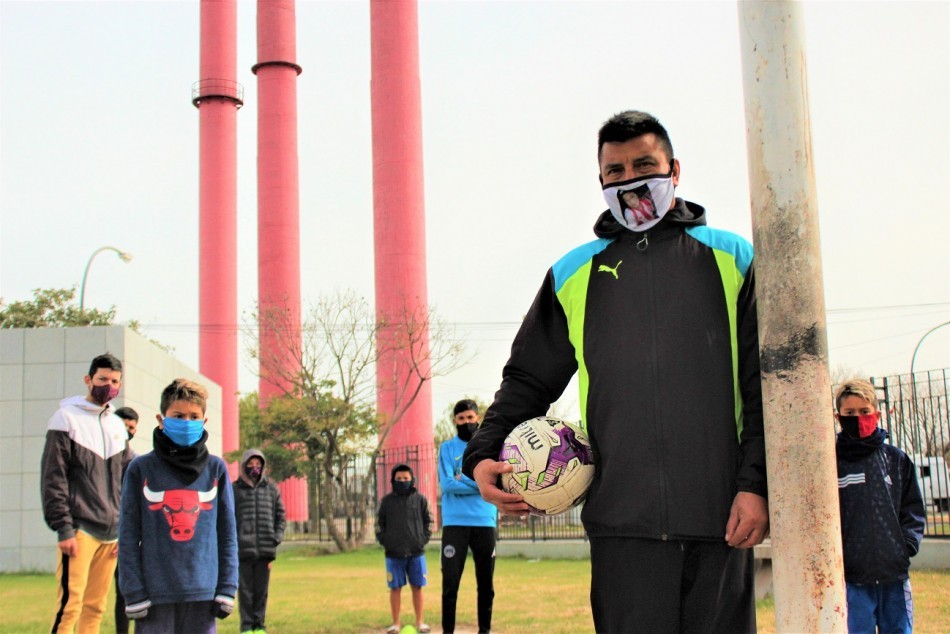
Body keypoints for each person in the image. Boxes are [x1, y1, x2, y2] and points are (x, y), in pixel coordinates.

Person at [462, 110, 769, 633]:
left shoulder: (734, 258)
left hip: (721, 520)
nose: (630, 181)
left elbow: (764, 386)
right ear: (601, 181)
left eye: (644, 166)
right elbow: (528, 380)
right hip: (620, 527)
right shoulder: (572, 273)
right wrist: (483, 453)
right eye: (615, 172)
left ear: (674, 170)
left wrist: (755, 484)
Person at [118, 378, 238, 633]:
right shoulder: (140, 469)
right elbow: (127, 536)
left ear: (204, 421)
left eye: (194, 417)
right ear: (161, 420)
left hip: (203, 595)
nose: (186, 422)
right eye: (178, 416)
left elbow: (227, 534)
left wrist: (227, 586)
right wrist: (134, 591)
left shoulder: (216, 469)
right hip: (154, 596)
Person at [41, 352, 133, 634]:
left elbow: (128, 482)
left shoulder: (117, 426)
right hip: (80, 531)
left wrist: (125, 530)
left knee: (96, 609)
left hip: (112, 535)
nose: (108, 385)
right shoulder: (65, 419)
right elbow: (53, 478)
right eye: (103, 379)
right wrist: (64, 528)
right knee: (69, 607)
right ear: (88, 379)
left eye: (114, 381)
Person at [834, 379, 926, 634]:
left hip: (893, 576)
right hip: (851, 579)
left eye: (864, 411)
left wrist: (906, 545)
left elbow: (913, 508)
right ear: (838, 417)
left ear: (877, 414)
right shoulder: (831, 461)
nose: (857, 418)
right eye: (849, 413)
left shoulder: (896, 459)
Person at [439, 399, 498, 634]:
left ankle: (485, 630)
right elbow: (447, 485)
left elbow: (495, 482)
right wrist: (480, 483)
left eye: (470, 418)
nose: (466, 422)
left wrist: (461, 479)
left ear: (477, 418)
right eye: (461, 419)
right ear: (455, 421)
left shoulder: (489, 448)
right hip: (454, 523)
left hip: (484, 521)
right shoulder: (447, 448)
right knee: (450, 584)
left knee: (486, 584)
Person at [233, 448, 286, 634]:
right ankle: (247, 626)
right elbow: (228, 518)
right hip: (243, 551)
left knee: (261, 592)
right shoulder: (235, 489)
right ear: (244, 465)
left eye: (258, 464)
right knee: (245, 592)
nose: (254, 467)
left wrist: (276, 538)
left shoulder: (272, 488)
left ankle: (259, 626)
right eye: (250, 464)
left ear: (262, 466)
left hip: (265, 551)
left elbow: (280, 517)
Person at [376, 464, 433, 634]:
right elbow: (379, 525)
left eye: (406, 479)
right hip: (394, 554)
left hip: (416, 553)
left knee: (418, 587)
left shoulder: (420, 500)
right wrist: (387, 542)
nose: (402, 481)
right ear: (393, 480)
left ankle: (420, 622)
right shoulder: (386, 502)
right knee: (395, 588)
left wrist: (422, 540)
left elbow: (428, 522)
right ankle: (395, 624)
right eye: (399, 479)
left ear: (412, 480)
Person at [112, 406, 139, 634]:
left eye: (132, 427)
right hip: (100, 531)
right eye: (124, 425)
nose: (128, 431)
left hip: (124, 537)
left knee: (124, 592)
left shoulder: (135, 463)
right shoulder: (99, 457)